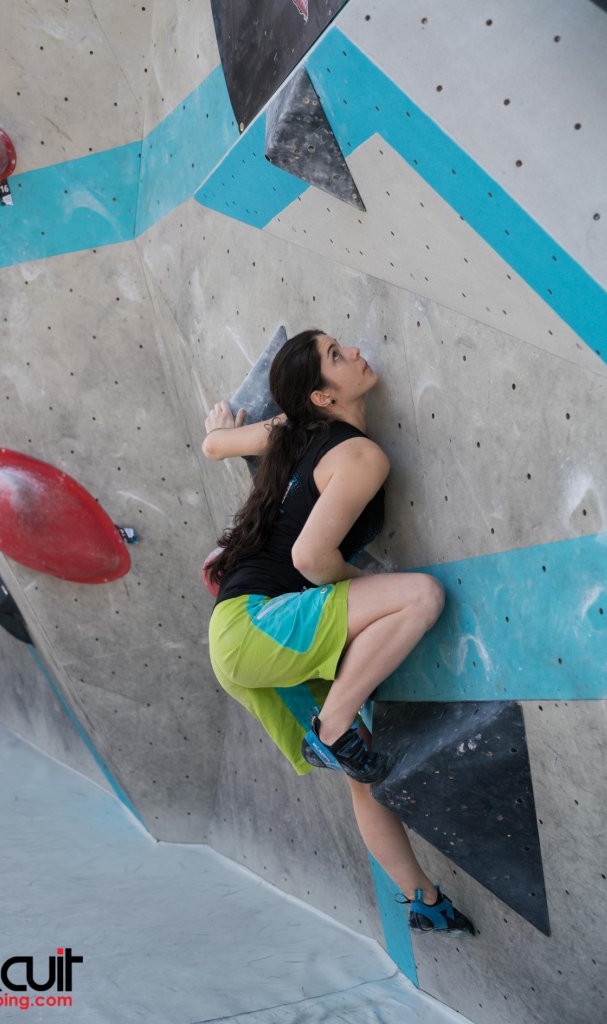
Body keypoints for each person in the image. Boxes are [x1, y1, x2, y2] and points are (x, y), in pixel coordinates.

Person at [202, 329, 474, 936]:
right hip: (260, 624)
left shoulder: (284, 432)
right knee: (420, 596)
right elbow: (309, 558)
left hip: (239, 637)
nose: (353, 351)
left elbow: (216, 444)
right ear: (322, 397)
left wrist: (218, 431)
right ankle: (331, 728)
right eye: (336, 355)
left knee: (363, 774)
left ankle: (424, 900)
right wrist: (365, 598)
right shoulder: (360, 455)